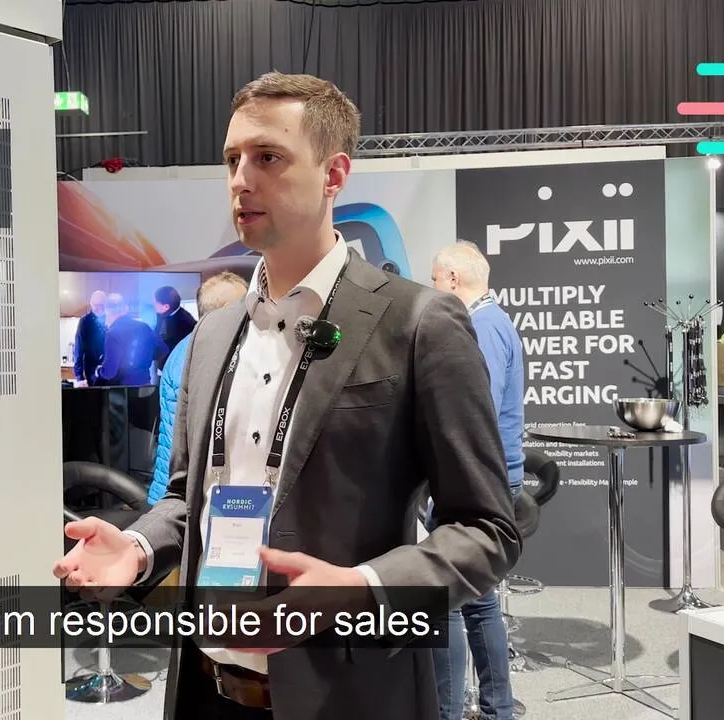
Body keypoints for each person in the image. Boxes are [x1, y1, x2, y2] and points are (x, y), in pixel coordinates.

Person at [53, 71, 520, 720]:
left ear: (334, 175)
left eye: (268, 157)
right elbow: (188, 500)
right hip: (207, 686)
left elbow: (487, 529)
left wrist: (365, 590)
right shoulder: (213, 336)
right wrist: (136, 547)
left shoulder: (419, 323)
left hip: (349, 694)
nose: (241, 179)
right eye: (232, 160)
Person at [428, 241, 524, 720]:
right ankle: (495, 708)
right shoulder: (495, 320)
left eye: (433, 280)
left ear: (450, 280)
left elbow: (472, 410)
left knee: (444, 599)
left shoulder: (481, 327)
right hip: (487, 479)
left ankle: (450, 712)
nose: (431, 290)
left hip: (473, 483)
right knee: (477, 600)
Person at [150, 272, 249, 505]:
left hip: (172, 494)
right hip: (188, 499)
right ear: (227, 310)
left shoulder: (186, 348)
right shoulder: (208, 355)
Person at [96, 293, 168, 387]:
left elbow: (109, 372)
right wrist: (146, 357)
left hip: (122, 392)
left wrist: (99, 371)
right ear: (125, 309)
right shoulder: (143, 326)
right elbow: (163, 350)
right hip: (144, 387)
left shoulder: (113, 333)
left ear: (107, 311)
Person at [154, 285, 199, 367]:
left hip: (175, 366)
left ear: (166, 307)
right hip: (163, 364)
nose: (154, 304)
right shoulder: (162, 314)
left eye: (156, 302)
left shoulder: (186, 322)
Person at [71, 290, 108, 386]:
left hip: (110, 371)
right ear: (91, 304)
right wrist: (79, 377)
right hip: (91, 373)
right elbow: (78, 349)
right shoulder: (84, 321)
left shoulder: (111, 319)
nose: (99, 307)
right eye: (96, 304)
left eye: (101, 304)